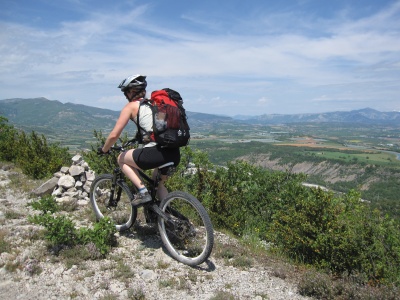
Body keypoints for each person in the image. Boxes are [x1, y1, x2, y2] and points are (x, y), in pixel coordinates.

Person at [98, 74, 181, 206]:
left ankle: (143, 192)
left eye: (126, 93)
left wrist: (104, 149)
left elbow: (114, 135)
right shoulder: (156, 104)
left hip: (155, 154)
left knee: (121, 158)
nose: (126, 96)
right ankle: (168, 219)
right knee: (158, 185)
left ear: (131, 91)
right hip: (174, 153)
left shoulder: (131, 106)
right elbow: (158, 129)